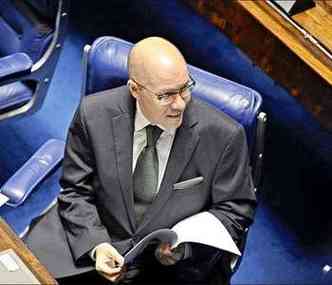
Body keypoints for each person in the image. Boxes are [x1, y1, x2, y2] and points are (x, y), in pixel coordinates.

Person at [26, 37, 256, 285]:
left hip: (170, 271)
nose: (179, 104)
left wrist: (185, 248)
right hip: (92, 246)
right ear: (135, 90)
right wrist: (97, 246)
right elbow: (75, 190)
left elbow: (235, 210)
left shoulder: (225, 135)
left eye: (185, 88)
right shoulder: (93, 114)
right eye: (166, 95)